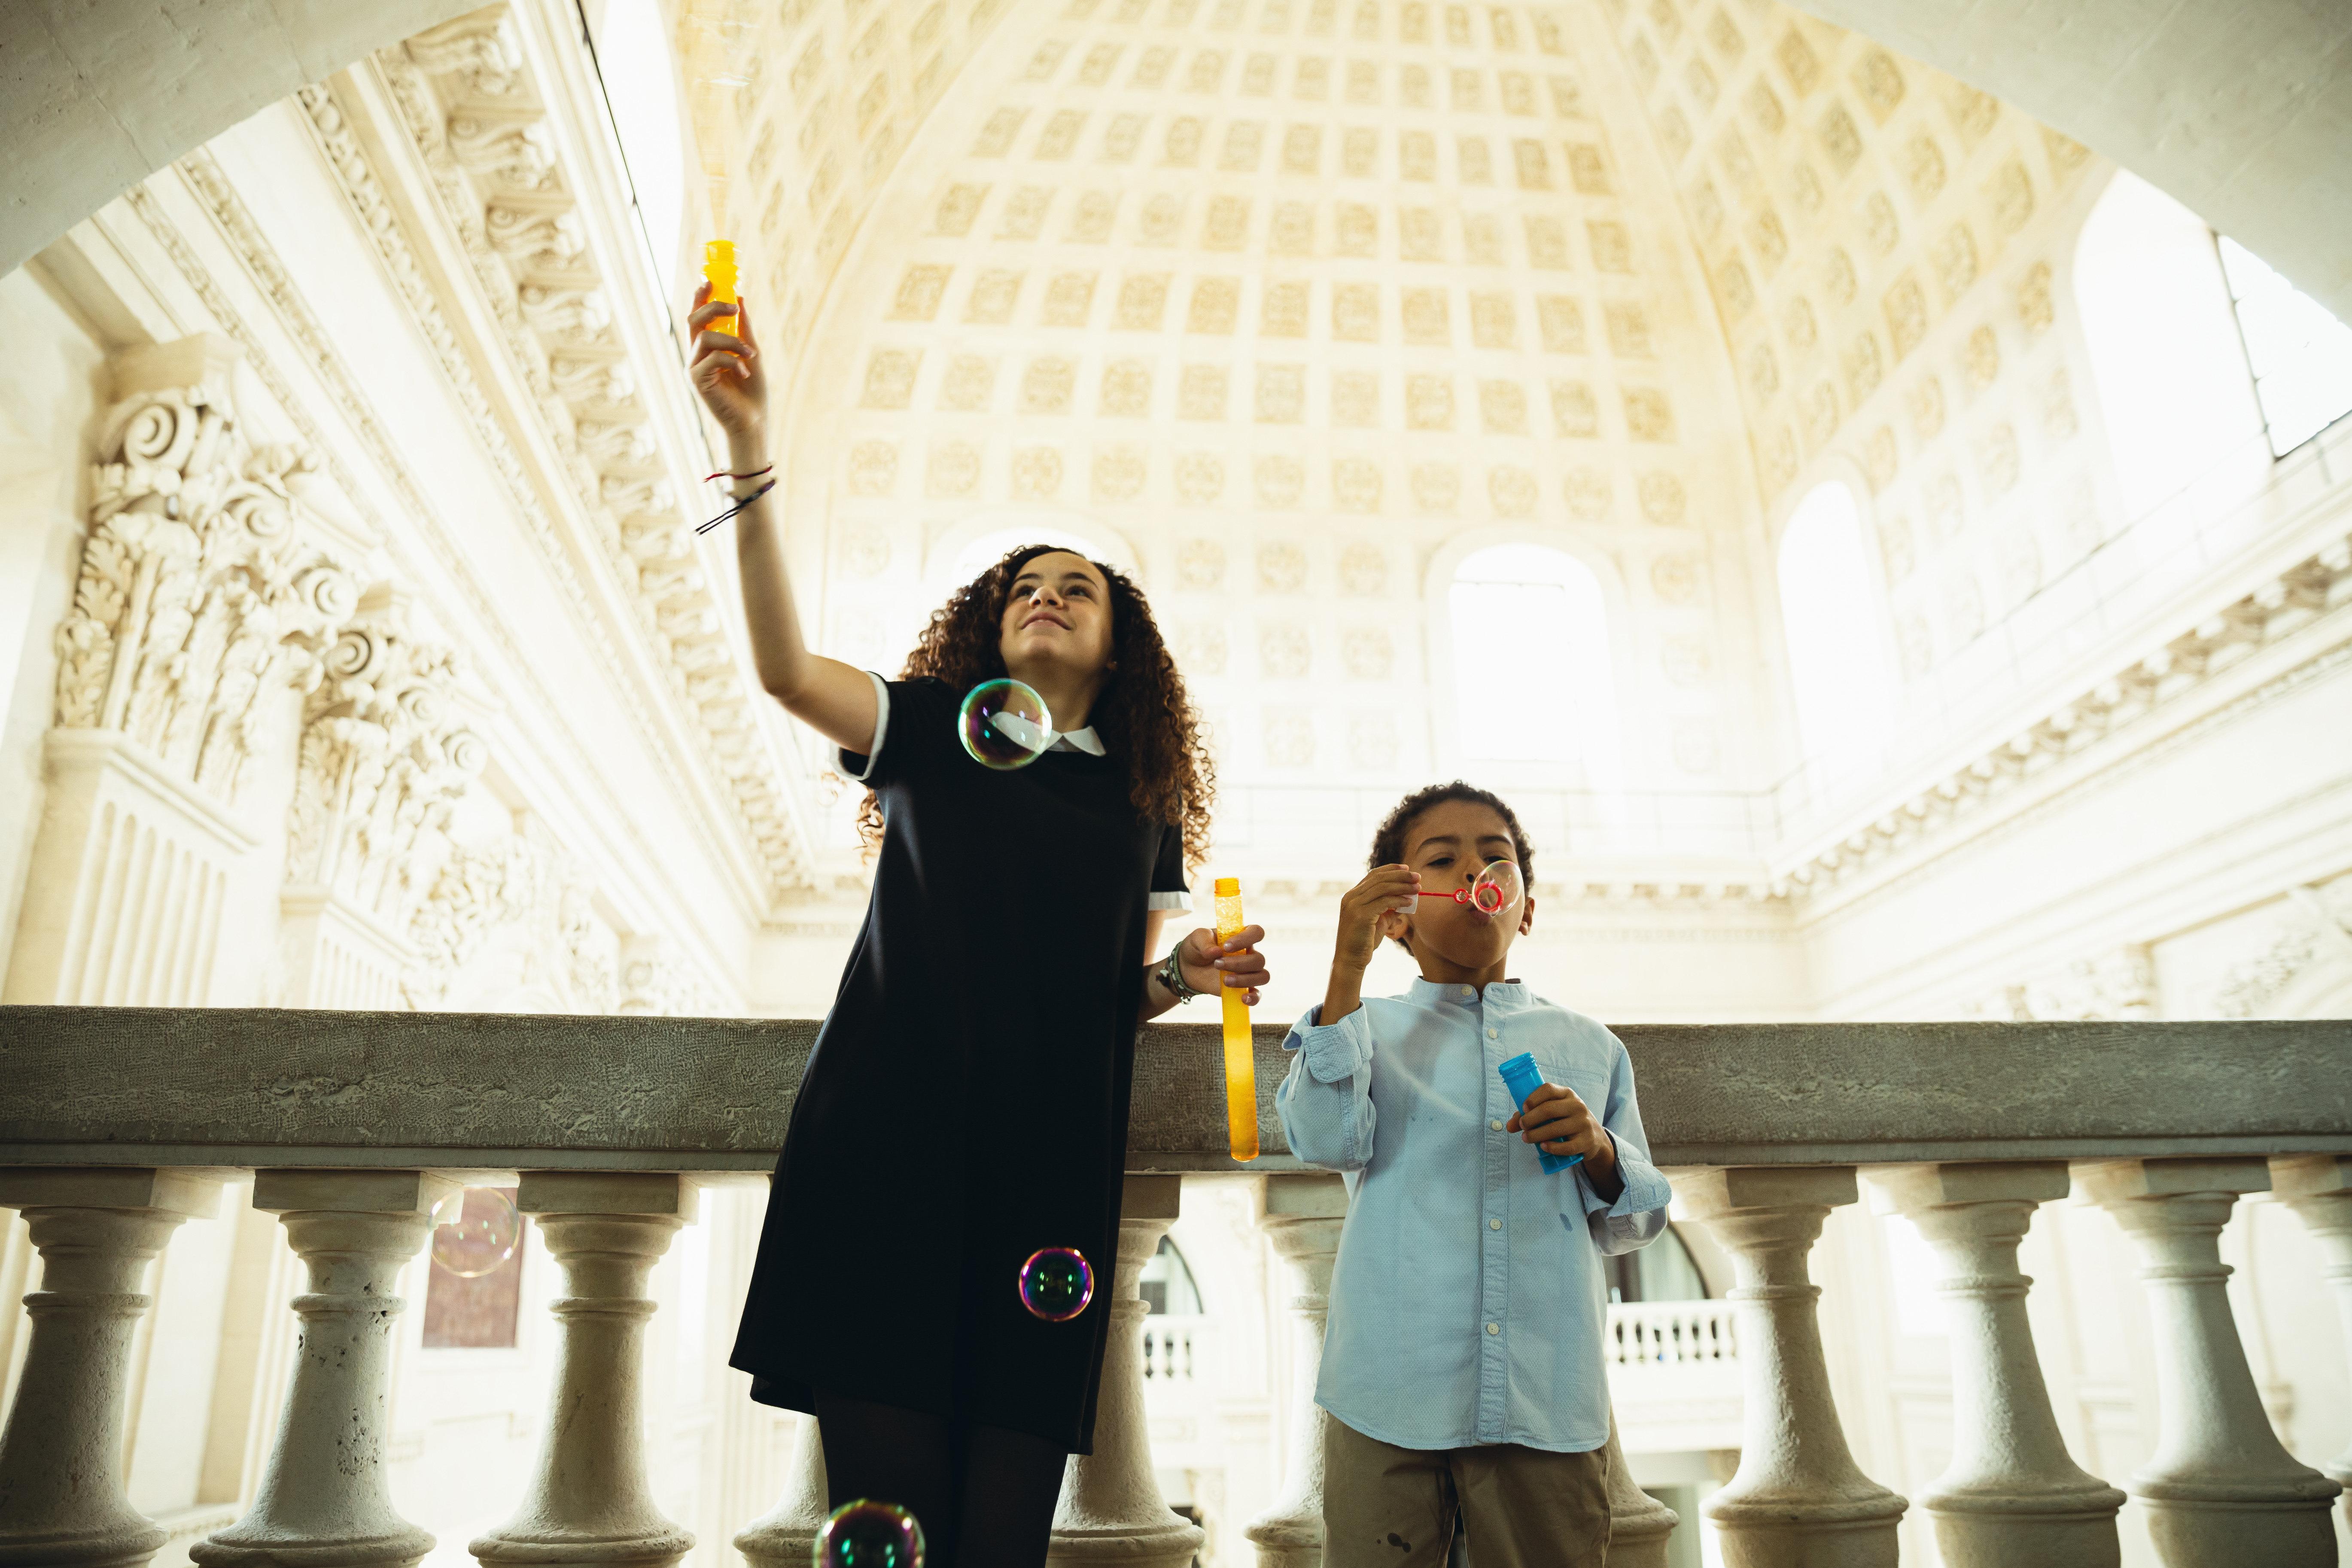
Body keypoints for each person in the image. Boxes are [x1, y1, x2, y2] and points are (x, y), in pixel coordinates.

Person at [685, 286, 1270, 1566]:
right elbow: (785, 672)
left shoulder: (1135, 803)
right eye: (1023, 583)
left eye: (1077, 589)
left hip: (1041, 1183)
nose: (1045, 594)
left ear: (1122, 655)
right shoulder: (930, 740)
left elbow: (1081, 997)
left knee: (998, 1547)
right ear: (986, 624)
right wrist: (746, 444)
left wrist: (1177, 971)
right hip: (884, 1152)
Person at [1276, 782, 1671, 1568]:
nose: (1474, 875)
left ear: (1524, 906)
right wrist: (1344, 965)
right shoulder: (1366, 1029)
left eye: (1497, 859)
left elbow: (1635, 1224)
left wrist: (1597, 1148)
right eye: (1441, 861)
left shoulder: (1589, 1046)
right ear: (1399, 910)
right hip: (1387, 1389)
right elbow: (1323, 1139)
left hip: (1543, 1395)